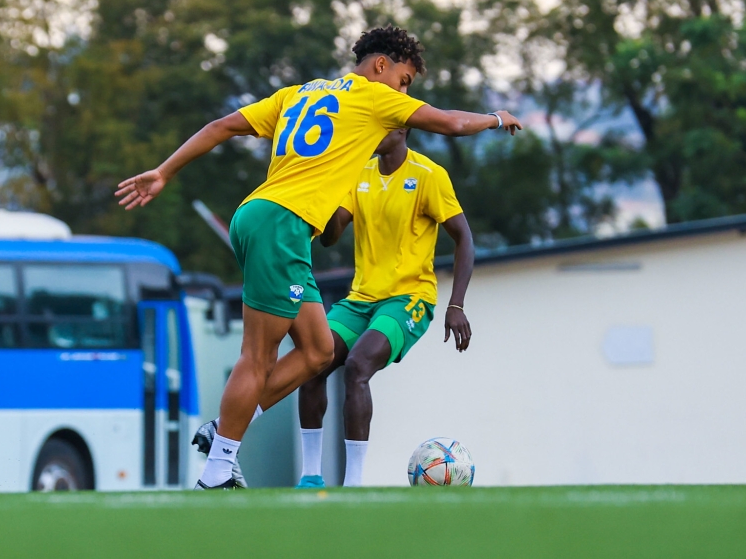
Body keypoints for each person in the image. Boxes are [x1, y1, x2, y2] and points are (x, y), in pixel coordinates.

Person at [116, 25, 521, 489]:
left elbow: (220, 127)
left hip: (259, 217)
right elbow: (450, 122)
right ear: (381, 65)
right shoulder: (374, 97)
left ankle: (225, 433)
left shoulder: (298, 93)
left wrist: (165, 171)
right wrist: (495, 116)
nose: (404, 93)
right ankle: (218, 469)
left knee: (318, 351)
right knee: (257, 355)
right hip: (282, 226)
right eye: (405, 81)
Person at [300, 126, 473, 487]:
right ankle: (310, 476)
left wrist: (456, 304)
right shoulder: (358, 172)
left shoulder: (428, 175)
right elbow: (331, 237)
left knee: (358, 365)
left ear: (403, 127)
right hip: (361, 299)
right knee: (311, 361)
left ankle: (354, 483)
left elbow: (464, 238)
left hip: (409, 298)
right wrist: (326, 189)